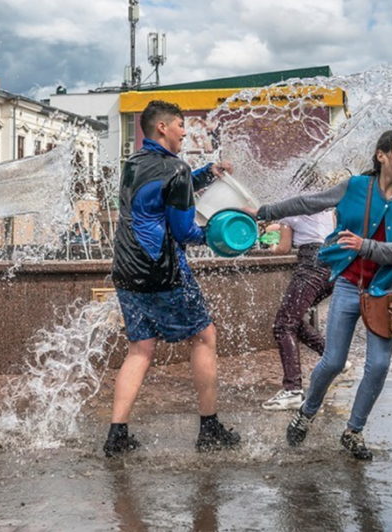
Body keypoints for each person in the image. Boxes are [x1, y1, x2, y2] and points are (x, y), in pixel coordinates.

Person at [248, 130, 392, 460]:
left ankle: (354, 432)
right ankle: (306, 413)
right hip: (347, 283)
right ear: (382, 156)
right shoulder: (355, 187)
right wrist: (265, 211)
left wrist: (366, 246)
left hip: (385, 292)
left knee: (378, 366)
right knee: (332, 360)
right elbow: (307, 202)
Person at [103, 100, 239, 457]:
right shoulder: (176, 169)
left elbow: (159, 196)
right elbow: (183, 231)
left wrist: (206, 175)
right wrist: (215, 235)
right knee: (204, 336)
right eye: (180, 125)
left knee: (140, 348)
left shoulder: (132, 164)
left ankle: (116, 435)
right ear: (162, 128)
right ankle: (209, 428)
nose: (184, 131)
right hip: (162, 272)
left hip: (126, 270)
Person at [260, 212, 338, 411]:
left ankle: (293, 390)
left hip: (311, 266)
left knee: (283, 325)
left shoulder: (290, 212)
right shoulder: (328, 211)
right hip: (332, 267)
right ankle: (334, 357)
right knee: (291, 320)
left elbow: (284, 248)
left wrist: (272, 249)